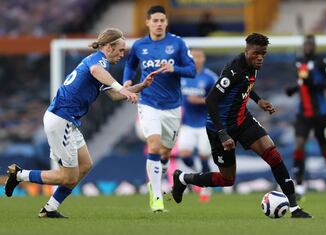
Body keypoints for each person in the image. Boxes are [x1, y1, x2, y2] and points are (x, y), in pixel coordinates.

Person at [5, 28, 161, 218]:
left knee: (85, 165)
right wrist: (124, 88)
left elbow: (113, 95)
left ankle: (50, 208)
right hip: (61, 119)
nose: (122, 54)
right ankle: (19, 175)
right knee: (66, 176)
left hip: (68, 121)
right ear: (109, 47)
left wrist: (142, 86)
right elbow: (98, 73)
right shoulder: (98, 61)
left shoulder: (102, 66)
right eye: (120, 50)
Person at [171, 33, 313, 218]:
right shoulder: (234, 70)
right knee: (227, 179)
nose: (260, 57)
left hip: (242, 120)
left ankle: (294, 208)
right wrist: (223, 134)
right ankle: (183, 178)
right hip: (219, 127)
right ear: (246, 51)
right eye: (256, 53)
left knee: (274, 156)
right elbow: (211, 100)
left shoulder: (253, 65)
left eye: (263, 53)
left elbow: (246, 85)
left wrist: (258, 100)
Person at [123, 5, 196, 212]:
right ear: (147, 22)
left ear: (166, 22)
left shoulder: (178, 43)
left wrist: (176, 68)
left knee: (165, 152)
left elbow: (191, 70)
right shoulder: (139, 45)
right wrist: (127, 81)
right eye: (154, 20)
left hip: (172, 106)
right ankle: (156, 197)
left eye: (162, 20)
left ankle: (157, 176)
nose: (158, 24)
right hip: (148, 103)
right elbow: (130, 65)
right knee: (153, 146)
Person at [285, 34, 326, 201]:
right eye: (306, 43)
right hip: (303, 113)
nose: (308, 46)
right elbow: (303, 82)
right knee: (299, 145)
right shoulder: (299, 62)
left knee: (325, 149)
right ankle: (300, 186)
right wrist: (293, 89)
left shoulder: (321, 62)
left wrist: (315, 84)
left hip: (320, 114)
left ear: (314, 45)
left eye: (310, 44)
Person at [178, 48, 217, 202]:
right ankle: (200, 174)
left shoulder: (210, 78)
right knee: (185, 155)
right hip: (186, 123)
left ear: (203, 58)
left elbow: (217, 99)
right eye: (192, 57)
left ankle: (205, 189)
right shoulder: (182, 75)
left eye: (198, 56)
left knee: (203, 155)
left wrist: (200, 100)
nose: (195, 59)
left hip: (204, 124)